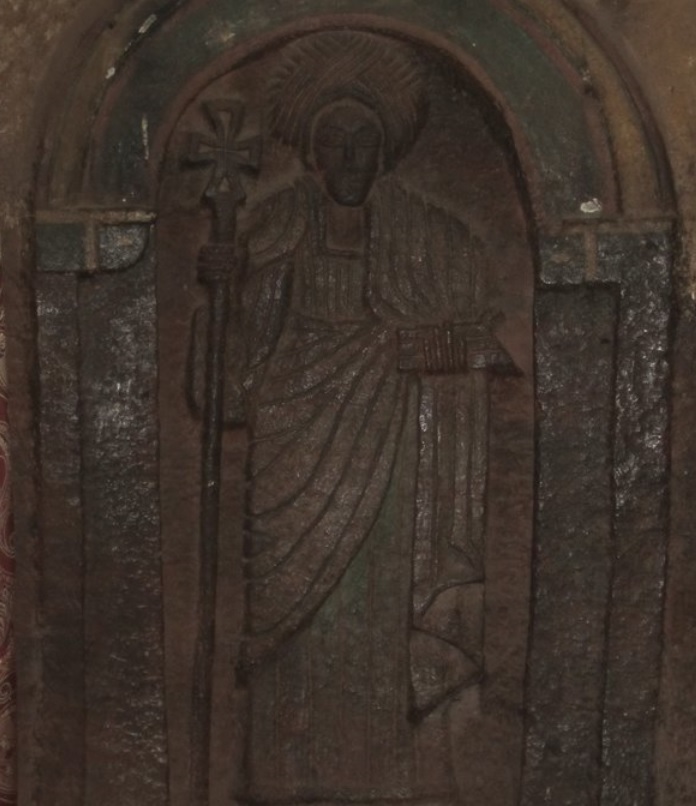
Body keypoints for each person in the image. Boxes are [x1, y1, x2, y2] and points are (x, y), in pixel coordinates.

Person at [197, 31, 513, 804]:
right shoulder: (275, 230)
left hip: (391, 473)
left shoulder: (430, 240)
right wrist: (225, 295)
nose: (347, 156)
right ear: (310, 151)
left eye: (361, 141)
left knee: (374, 629)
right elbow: (230, 390)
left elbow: (482, 341)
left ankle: (384, 783)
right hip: (289, 469)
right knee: (294, 652)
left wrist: (411, 351)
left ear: (386, 152)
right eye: (332, 140)